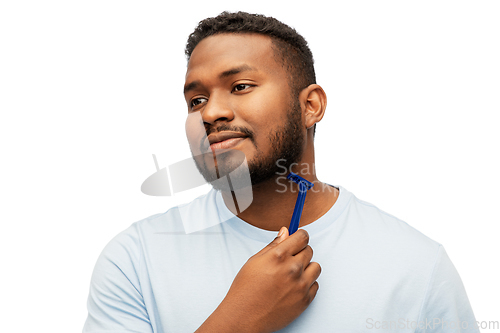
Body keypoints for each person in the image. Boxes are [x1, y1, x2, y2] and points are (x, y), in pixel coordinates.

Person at [83, 11, 478, 333]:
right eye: (196, 99)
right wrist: (239, 320)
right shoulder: (135, 259)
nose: (209, 113)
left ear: (311, 106)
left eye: (239, 86)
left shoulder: (417, 266)